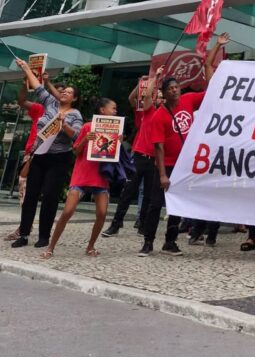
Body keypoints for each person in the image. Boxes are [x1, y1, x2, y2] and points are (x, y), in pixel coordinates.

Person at [138, 41, 218, 257]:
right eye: (171, 89)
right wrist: (163, 174)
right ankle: (148, 242)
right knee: (156, 205)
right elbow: (159, 147)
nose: (175, 90)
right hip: (165, 166)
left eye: (177, 88)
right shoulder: (159, 116)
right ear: (164, 93)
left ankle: (170, 242)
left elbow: (211, 90)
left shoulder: (188, 100)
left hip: (183, 165)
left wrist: (214, 53)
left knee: (177, 206)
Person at [11, 58, 83, 250]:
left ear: (74, 99)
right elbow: (37, 85)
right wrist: (26, 68)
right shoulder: (50, 102)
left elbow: (75, 135)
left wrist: (63, 124)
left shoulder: (75, 114)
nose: (64, 93)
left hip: (59, 158)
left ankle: (44, 236)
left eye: (68, 93)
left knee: (50, 195)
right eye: (63, 91)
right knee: (31, 195)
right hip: (39, 154)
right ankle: (24, 233)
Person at [41, 98, 123, 260]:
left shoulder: (116, 129)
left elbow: (114, 157)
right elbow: (76, 152)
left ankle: (91, 245)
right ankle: (51, 247)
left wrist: (118, 142)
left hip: (100, 177)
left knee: (102, 213)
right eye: (113, 108)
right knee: (68, 211)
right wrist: (86, 138)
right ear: (102, 110)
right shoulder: (87, 126)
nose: (115, 111)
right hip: (82, 174)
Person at [102, 70, 162, 237]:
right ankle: (116, 223)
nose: (159, 98)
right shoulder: (146, 111)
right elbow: (132, 98)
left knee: (149, 194)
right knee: (128, 191)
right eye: (158, 95)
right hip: (138, 155)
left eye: (161, 97)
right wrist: (143, 83)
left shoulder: (164, 114)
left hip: (154, 159)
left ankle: (143, 224)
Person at [5, 74, 59, 242]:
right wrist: (24, 84)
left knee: (46, 193)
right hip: (33, 153)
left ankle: (38, 231)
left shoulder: (67, 113)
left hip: (51, 156)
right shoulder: (39, 108)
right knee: (26, 190)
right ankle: (25, 227)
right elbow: (22, 101)